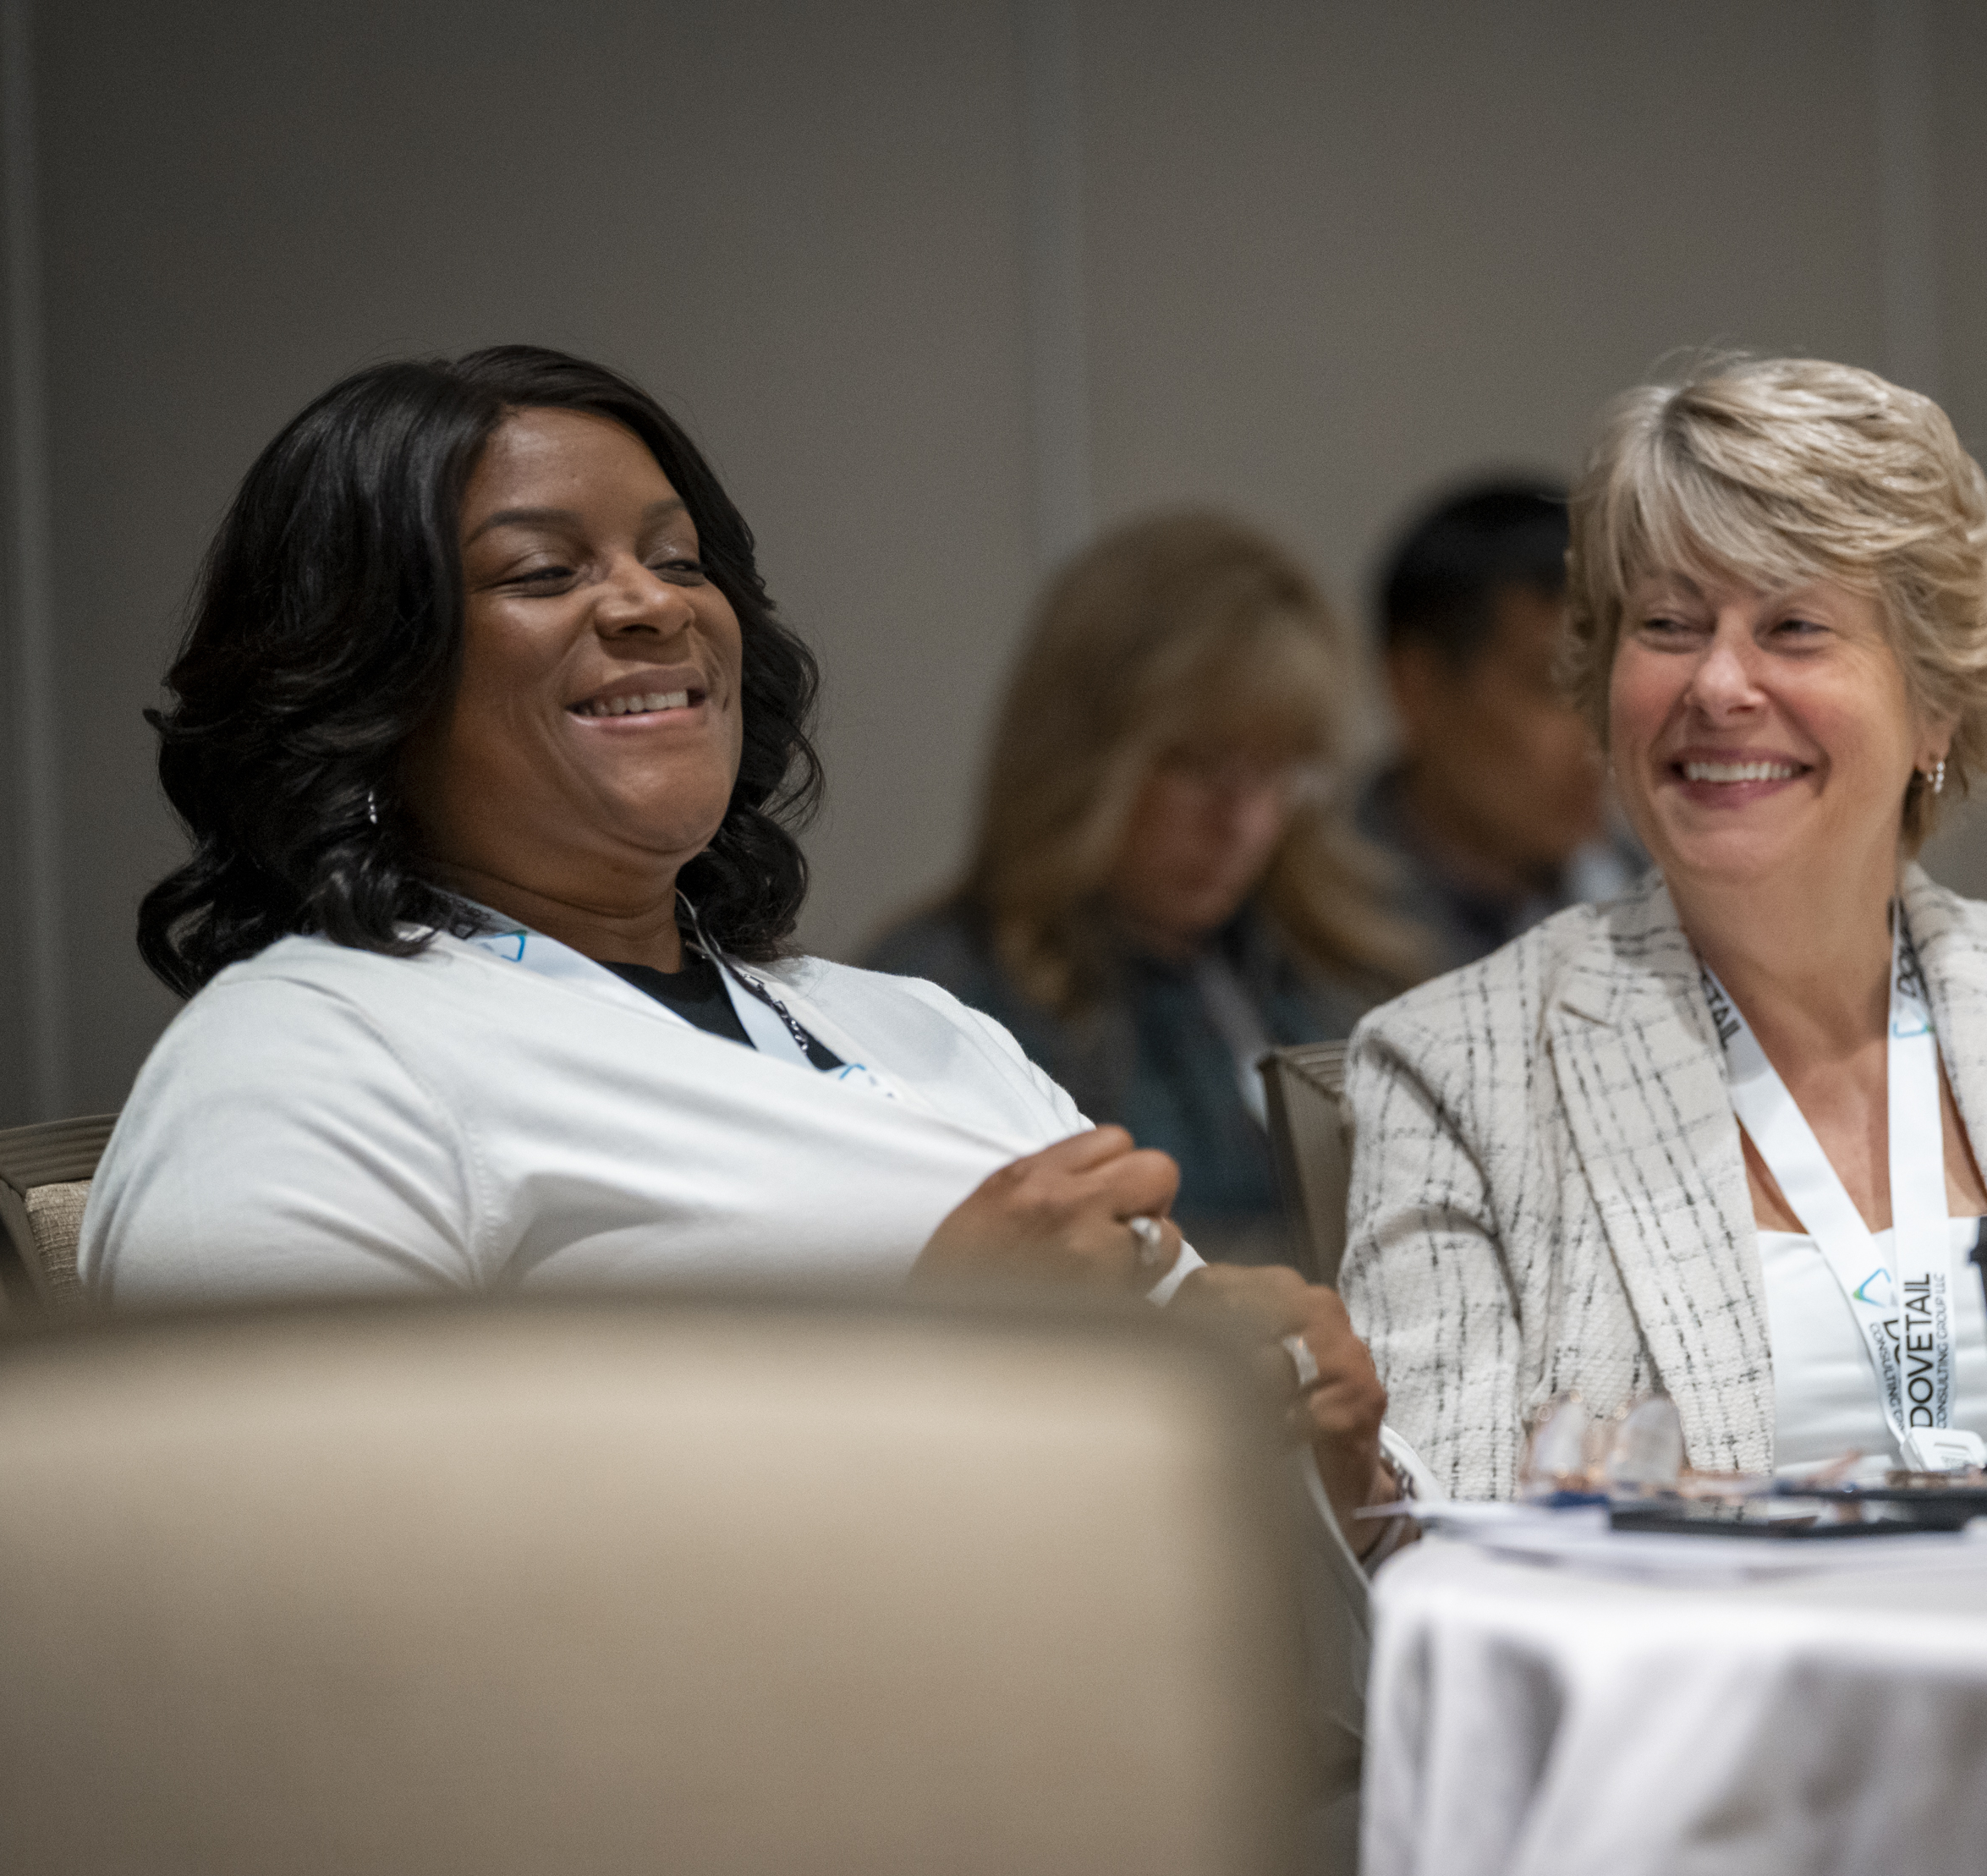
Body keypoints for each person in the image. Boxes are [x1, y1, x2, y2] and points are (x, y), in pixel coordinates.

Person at [84, 347, 1409, 1545]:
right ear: (369, 685)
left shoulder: (918, 1026)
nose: (650, 605)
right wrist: (923, 1359)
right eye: (544, 571)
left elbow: (1197, 1471)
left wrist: (1327, 1467)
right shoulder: (305, 1058)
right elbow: (268, 1592)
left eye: (677, 559)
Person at [1339, 356, 1987, 1500]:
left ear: (1935, 700)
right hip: (1697, 1677)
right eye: (1668, 624)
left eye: (1794, 627)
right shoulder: (1459, 1070)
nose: (1720, 684)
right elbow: (1447, 1539)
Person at [865, 513, 1419, 1264]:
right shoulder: (941, 1004)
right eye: (1198, 765)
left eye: (1276, 770)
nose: (1244, 820)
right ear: (1083, 757)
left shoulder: (1339, 971)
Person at [1356, 477, 1639, 971]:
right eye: (1554, 687)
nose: (1602, 738)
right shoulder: (1300, 930)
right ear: (1416, 688)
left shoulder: (1670, 899)